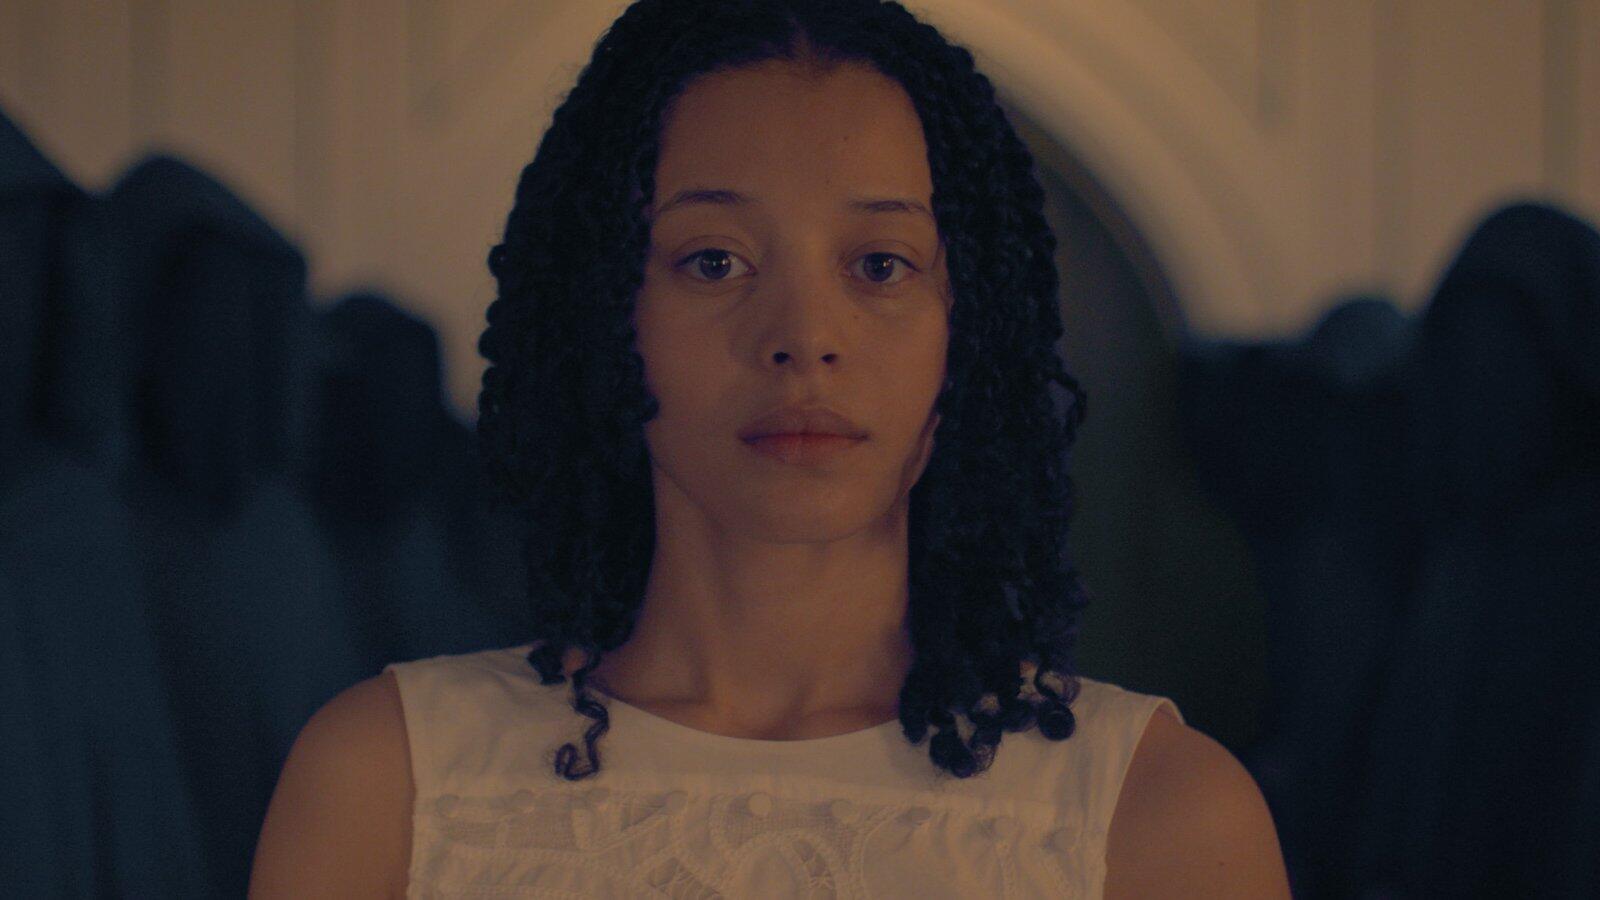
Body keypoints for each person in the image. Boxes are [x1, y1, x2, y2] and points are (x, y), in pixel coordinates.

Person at [250, 1, 1291, 896]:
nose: (804, 336)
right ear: (606, 308)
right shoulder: (390, 785)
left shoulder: (1158, 817)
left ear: (966, 327)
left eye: (880, 264)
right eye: (714, 261)